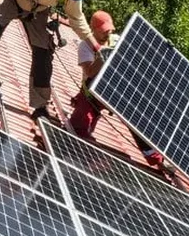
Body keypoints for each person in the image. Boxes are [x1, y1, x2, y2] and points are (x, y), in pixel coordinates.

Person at [68, 10, 168, 168]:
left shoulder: (116, 40)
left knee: (136, 118)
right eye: (104, 31)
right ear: (94, 29)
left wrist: (162, 49)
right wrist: (102, 58)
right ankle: (82, 151)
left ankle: (156, 159)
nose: (108, 33)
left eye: (109, 30)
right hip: (93, 93)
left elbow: (139, 55)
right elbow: (89, 72)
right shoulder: (85, 46)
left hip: (117, 90)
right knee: (77, 128)